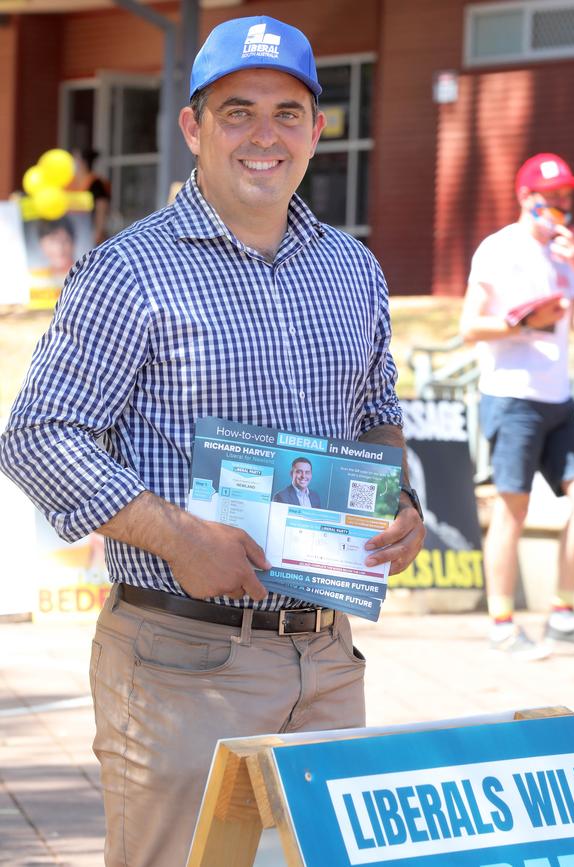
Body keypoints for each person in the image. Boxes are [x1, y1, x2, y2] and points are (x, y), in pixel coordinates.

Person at [0, 15, 424, 866]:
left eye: (287, 112)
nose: (264, 135)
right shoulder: (130, 270)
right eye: (237, 111)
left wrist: (399, 497)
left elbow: (375, 404)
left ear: (316, 130)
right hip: (179, 661)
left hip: (327, 654)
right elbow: (38, 435)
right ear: (193, 127)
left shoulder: (351, 269)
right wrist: (178, 536)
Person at [460, 152, 574, 661]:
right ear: (526, 198)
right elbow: (469, 326)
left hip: (558, 399)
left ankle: (563, 614)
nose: (563, 203)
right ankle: (503, 624)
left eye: (568, 194)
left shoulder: (567, 254)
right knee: (512, 509)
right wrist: (526, 323)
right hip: (511, 396)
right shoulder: (499, 250)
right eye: (552, 195)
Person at [70, 147, 111, 245]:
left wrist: (98, 232)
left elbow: (102, 208)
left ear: (83, 162)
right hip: (73, 232)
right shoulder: (70, 182)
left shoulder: (95, 183)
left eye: (74, 159)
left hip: (88, 232)